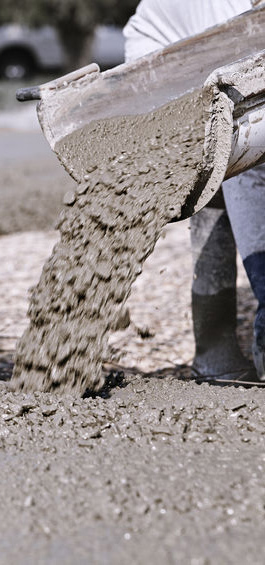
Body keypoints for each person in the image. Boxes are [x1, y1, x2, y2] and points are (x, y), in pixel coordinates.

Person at [124, 0, 265, 383]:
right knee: (232, 179)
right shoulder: (232, 16)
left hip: (226, 81)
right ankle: (215, 354)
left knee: (226, 188)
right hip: (165, 71)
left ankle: (218, 356)